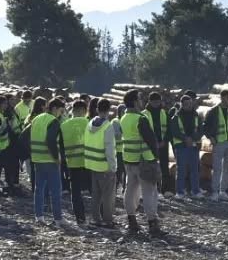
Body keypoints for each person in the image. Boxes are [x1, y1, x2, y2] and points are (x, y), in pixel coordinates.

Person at [120, 89, 164, 238]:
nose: (142, 101)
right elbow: (151, 140)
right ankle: (152, 223)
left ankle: (132, 220)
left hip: (129, 160)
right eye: (139, 99)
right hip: (144, 160)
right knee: (149, 192)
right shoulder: (141, 118)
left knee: (130, 190)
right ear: (134, 101)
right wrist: (156, 157)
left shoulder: (123, 117)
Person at [29, 98, 68, 226]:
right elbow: (50, 140)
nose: (61, 114)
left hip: (37, 158)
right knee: (55, 190)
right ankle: (57, 218)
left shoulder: (36, 118)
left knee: (39, 189)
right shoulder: (53, 121)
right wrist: (57, 158)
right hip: (50, 160)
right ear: (55, 108)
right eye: (61, 111)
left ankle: (39, 216)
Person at [84, 98, 118, 229]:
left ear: (97, 109)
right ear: (109, 110)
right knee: (108, 195)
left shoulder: (89, 123)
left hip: (92, 164)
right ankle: (108, 220)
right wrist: (113, 166)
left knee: (96, 194)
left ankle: (95, 218)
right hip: (104, 165)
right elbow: (109, 148)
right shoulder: (107, 126)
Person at [203, 90, 228, 202]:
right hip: (218, 142)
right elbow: (205, 126)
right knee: (217, 168)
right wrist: (210, 137)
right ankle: (214, 192)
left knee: (227, 168)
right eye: (227, 97)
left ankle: (223, 191)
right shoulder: (213, 111)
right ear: (222, 98)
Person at [61, 99, 91, 226]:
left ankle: (80, 218)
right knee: (94, 190)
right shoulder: (90, 123)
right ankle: (98, 216)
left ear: (72, 110)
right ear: (85, 111)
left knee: (76, 192)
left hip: (72, 162)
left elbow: (61, 145)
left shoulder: (64, 125)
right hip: (89, 162)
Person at [169, 93, 202, 197]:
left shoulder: (197, 116)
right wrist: (185, 139)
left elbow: (201, 130)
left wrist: (193, 138)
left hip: (194, 146)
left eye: (190, 103)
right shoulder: (176, 117)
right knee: (181, 170)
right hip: (181, 146)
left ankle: (195, 191)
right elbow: (174, 131)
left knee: (194, 170)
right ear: (182, 104)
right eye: (186, 104)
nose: (189, 105)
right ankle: (180, 192)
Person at [145, 91, 173, 194]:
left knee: (164, 168)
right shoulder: (144, 114)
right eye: (154, 102)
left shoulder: (164, 113)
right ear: (149, 101)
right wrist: (154, 143)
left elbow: (170, 129)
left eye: (158, 102)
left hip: (163, 145)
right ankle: (153, 189)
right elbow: (145, 131)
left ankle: (165, 189)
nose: (156, 104)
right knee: (152, 168)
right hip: (150, 146)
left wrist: (164, 141)